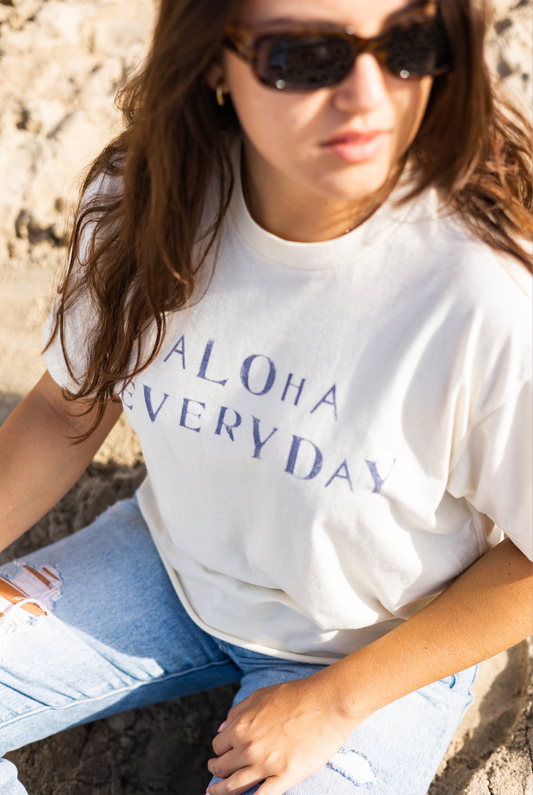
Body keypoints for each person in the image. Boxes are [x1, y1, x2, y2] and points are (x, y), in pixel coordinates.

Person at [0, 0, 531, 792]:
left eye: (408, 44)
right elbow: (64, 408)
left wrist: (334, 700)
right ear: (213, 56)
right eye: (304, 57)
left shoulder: (484, 294)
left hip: (377, 645)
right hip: (167, 561)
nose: (366, 96)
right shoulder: (144, 204)